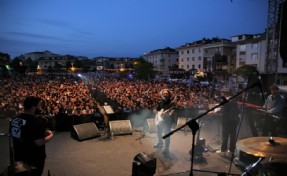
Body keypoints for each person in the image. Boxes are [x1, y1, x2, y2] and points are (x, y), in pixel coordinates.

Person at [10, 96, 54, 176]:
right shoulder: (36, 122)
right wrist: (51, 135)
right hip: (34, 158)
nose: (41, 108)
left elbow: (24, 133)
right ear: (34, 107)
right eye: (40, 106)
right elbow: (39, 142)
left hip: (18, 156)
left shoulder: (15, 119)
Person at [153, 89, 176, 154]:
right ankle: (160, 142)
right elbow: (156, 109)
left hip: (168, 121)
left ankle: (166, 148)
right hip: (160, 121)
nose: (165, 95)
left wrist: (168, 113)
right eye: (164, 94)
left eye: (166, 93)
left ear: (169, 94)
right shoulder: (161, 102)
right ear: (162, 94)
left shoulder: (172, 102)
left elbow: (172, 110)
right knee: (158, 132)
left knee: (167, 135)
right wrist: (156, 111)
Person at [217, 93, 240, 157]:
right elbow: (238, 111)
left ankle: (223, 152)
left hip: (226, 122)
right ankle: (231, 152)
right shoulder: (235, 102)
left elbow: (222, 111)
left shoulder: (226, 102)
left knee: (225, 137)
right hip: (234, 122)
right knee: (232, 137)